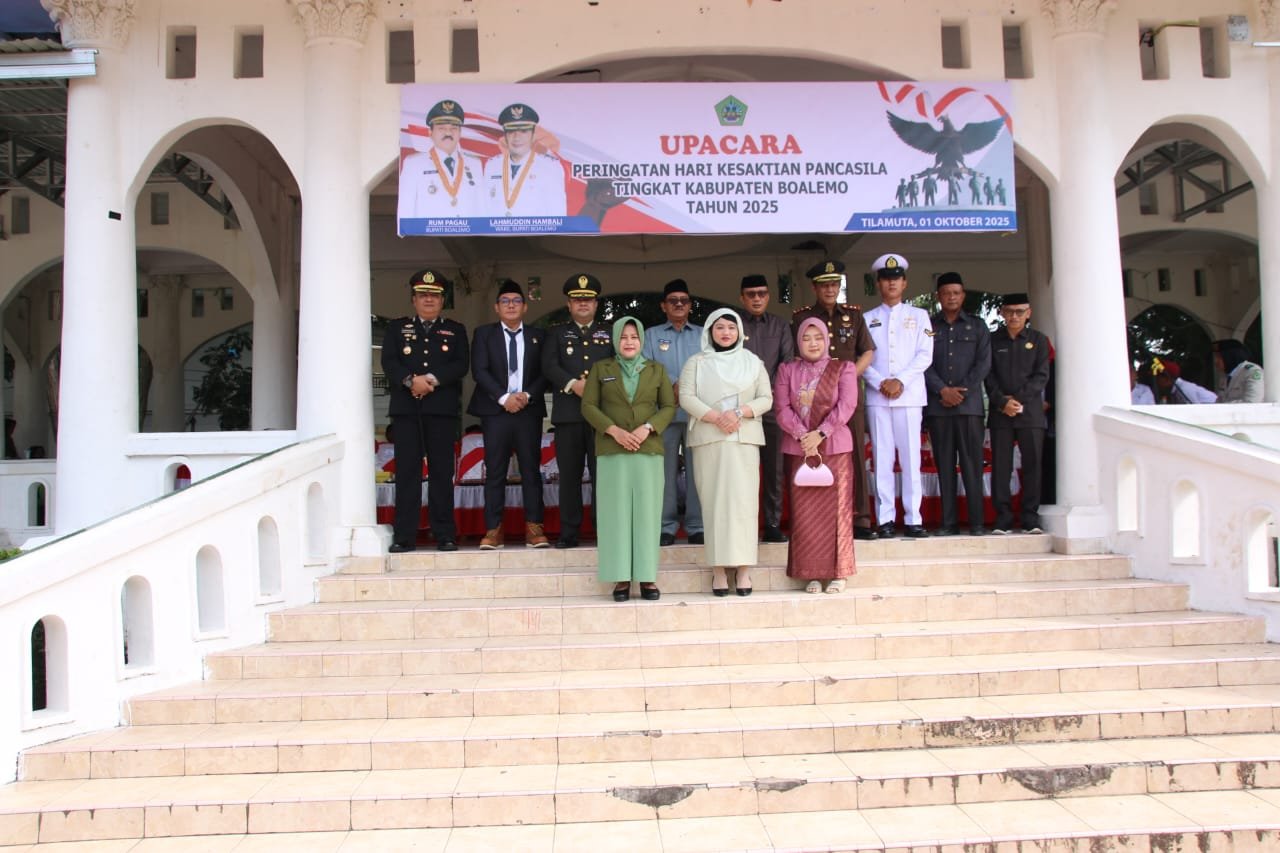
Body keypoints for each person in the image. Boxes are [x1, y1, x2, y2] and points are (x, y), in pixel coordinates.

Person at [581, 317, 676, 602]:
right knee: (616, 515)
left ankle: (647, 577)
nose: (629, 342)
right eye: (623, 337)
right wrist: (614, 431)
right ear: (615, 340)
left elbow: (668, 406)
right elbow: (588, 406)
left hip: (648, 450)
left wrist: (647, 428)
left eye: (634, 337)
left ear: (642, 339)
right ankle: (621, 577)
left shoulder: (657, 370)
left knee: (647, 514)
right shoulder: (601, 369)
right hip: (613, 450)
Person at [679, 308, 773, 596]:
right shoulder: (696, 362)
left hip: (743, 439)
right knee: (714, 504)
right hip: (710, 439)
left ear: (739, 332)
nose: (726, 332)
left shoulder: (753, 362)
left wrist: (739, 413)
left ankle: (743, 570)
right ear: (710, 331)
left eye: (731, 327)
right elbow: (686, 397)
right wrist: (716, 417)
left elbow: (766, 399)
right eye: (719, 327)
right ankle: (718, 570)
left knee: (744, 505)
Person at [380, 269, 470, 553]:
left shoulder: (455, 330)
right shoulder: (397, 328)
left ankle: (444, 533)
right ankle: (404, 536)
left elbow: (460, 364)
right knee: (407, 472)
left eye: (434, 295)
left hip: (440, 410)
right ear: (414, 299)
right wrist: (411, 381)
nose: (429, 300)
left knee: (442, 472)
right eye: (423, 295)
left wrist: (430, 380)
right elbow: (389, 362)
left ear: (442, 300)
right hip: (407, 410)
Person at [791, 260, 878, 540]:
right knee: (818, 453)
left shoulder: (853, 315)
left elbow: (868, 352)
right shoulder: (802, 317)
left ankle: (861, 518)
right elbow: (796, 358)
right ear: (814, 288)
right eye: (825, 285)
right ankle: (823, 518)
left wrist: (848, 379)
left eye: (834, 284)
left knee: (855, 455)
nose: (830, 289)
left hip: (849, 399)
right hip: (814, 399)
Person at [775, 318, 860, 593]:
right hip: (799, 448)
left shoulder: (843, 368)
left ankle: (839, 573)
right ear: (798, 342)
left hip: (834, 448)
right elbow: (782, 408)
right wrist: (803, 435)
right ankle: (811, 573)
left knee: (838, 511)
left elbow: (847, 404)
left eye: (818, 337)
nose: (813, 343)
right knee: (805, 514)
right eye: (806, 338)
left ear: (826, 340)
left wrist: (821, 433)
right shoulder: (787, 370)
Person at [467, 279, 549, 549]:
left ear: (525, 307)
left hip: (528, 409)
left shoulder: (538, 335)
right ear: (496, 307)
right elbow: (479, 370)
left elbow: (545, 372)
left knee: (530, 469)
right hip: (495, 410)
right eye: (505, 301)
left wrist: (526, 396)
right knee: (495, 470)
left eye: (516, 301)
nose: (511, 305)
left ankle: (534, 527)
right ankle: (493, 530)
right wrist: (504, 398)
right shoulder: (484, 334)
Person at [862, 253, 934, 539]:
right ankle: (885, 518)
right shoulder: (867, 318)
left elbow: (925, 355)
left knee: (910, 458)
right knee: (882, 458)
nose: (891, 283)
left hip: (909, 396)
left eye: (896, 279)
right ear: (878, 284)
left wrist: (900, 381)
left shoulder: (919, 316)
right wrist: (881, 382)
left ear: (904, 283)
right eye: (886, 279)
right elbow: (861, 357)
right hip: (878, 397)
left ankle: (914, 518)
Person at [541, 273, 615, 548]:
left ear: (596, 304)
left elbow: (619, 366)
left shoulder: (610, 332)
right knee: (569, 477)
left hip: (602, 416)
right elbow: (548, 366)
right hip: (568, 415)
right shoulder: (556, 333)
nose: (583, 303)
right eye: (577, 299)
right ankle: (569, 532)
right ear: (569, 304)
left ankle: (603, 529)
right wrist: (573, 384)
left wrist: (594, 386)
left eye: (588, 299)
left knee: (602, 476)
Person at [924, 271, 991, 536]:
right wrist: (942, 390)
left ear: (963, 295)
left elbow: (983, 363)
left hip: (969, 407)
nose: (951, 297)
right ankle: (948, 523)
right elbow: (922, 361)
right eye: (946, 293)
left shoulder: (978, 326)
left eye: (956, 293)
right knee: (944, 466)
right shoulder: (928, 326)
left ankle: (977, 523)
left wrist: (960, 391)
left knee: (972, 465)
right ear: (938, 296)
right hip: (939, 407)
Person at [643, 279, 705, 546]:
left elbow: (710, 367)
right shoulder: (651, 335)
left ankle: (697, 525)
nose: (679, 304)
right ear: (663, 306)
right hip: (663, 415)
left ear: (690, 305)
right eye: (673, 301)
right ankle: (665, 526)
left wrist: (685, 387)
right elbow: (645, 369)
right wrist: (673, 386)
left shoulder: (703, 334)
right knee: (664, 474)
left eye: (684, 300)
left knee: (697, 472)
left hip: (696, 417)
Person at [984, 292, 1051, 534]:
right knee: (1001, 467)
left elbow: (1041, 376)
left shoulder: (1039, 340)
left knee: (1033, 466)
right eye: (1010, 311)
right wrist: (1003, 402)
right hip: (1000, 412)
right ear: (1002, 313)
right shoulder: (992, 340)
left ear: (1028, 313)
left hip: (1030, 413)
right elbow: (987, 374)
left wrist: (1018, 400)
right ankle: (1003, 518)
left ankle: (1030, 518)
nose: (1014, 316)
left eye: (1020, 312)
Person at [739, 274, 794, 542]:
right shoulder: (734, 325)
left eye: (761, 293)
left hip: (772, 406)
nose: (757, 298)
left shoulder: (780, 325)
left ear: (769, 296)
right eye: (751, 294)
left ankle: (772, 523)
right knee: (742, 469)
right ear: (742, 298)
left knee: (774, 469)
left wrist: (767, 393)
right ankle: (744, 525)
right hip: (741, 409)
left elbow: (787, 364)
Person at [398, 99, 484, 220]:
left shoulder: (475, 164)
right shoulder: (414, 164)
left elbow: (482, 209)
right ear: (430, 132)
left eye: (454, 128)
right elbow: (405, 211)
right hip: (429, 231)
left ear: (460, 132)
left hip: (469, 231)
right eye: (441, 128)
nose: (448, 132)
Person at [483, 103, 568, 217]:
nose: (517, 137)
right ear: (505, 136)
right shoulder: (492, 165)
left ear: (533, 135)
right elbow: (485, 208)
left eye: (523, 131)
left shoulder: (550, 167)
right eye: (511, 131)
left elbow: (558, 215)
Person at [1151, 358, 1216, 404]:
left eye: (1157, 377)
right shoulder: (1175, 390)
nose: (1156, 381)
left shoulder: (1184, 389)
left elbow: (1195, 411)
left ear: (1167, 378)